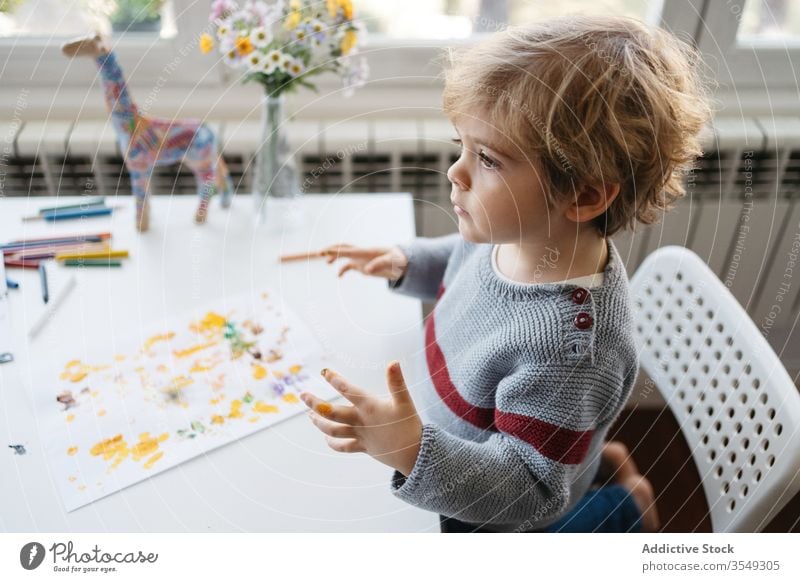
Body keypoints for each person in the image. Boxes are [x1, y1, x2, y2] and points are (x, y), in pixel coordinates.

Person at [299, 14, 711, 532]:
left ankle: (627, 503)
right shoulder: (519, 238)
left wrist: (411, 450)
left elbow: (529, 493)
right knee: (564, 443)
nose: (456, 172)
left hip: (501, 507)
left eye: (488, 159)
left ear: (582, 196)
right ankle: (595, 454)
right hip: (465, 446)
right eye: (461, 148)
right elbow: (465, 261)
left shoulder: (571, 351)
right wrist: (409, 262)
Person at [60, 33, 233, 231]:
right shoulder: (133, 131)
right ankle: (224, 194)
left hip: (190, 138)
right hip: (182, 136)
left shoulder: (136, 139)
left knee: (205, 171)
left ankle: (190, 209)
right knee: (211, 164)